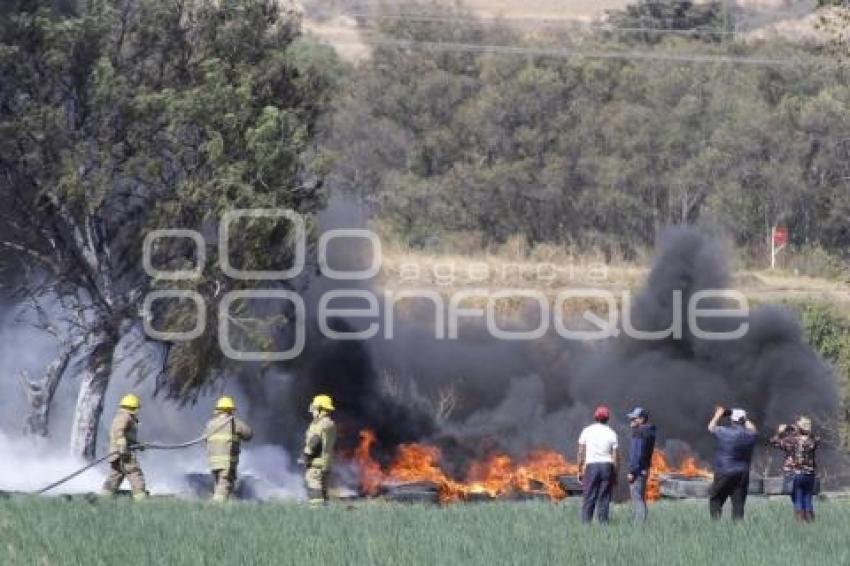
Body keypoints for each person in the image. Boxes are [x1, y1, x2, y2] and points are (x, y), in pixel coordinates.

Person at [707, 406, 757, 520]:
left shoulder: (725, 432)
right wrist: (744, 418)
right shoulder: (750, 435)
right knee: (738, 504)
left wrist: (718, 414)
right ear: (743, 420)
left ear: (732, 420)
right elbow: (753, 429)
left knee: (716, 499)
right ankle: (738, 530)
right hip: (742, 474)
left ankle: (715, 526)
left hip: (724, 472)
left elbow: (711, 427)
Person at [770, 416, 820, 522]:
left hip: (795, 474)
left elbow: (773, 442)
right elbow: (815, 438)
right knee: (807, 499)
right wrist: (800, 429)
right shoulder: (813, 441)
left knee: (797, 499)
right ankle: (811, 524)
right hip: (810, 474)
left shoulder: (790, 440)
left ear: (799, 427)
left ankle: (800, 525)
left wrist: (780, 432)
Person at [205, 395, 254, 502]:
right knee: (224, 484)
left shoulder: (210, 424)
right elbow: (249, 434)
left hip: (213, 462)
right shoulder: (233, 422)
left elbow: (206, 440)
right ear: (230, 410)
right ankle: (217, 509)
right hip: (226, 462)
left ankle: (220, 505)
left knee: (219, 483)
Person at [577, 405, 619, 523]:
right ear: (607, 418)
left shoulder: (587, 430)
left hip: (592, 466)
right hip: (607, 466)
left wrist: (579, 469)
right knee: (604, 498)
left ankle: (586, 525)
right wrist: (615, 473)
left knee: (589, 497)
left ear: (595, 417)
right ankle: (603, 525)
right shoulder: (612, 433)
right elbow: (615, 456)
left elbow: (580, 452)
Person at [102, 394, 147, 501]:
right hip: (124, 454)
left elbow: (127, 437)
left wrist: (138, 445)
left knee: (115, 476)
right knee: (134, 473)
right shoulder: (125, 416)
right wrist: (122, 444)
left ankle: (104, 497)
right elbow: (118, 431)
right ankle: (140, 498)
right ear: (133, 407)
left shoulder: (123, 416)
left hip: (117, 454)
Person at [302, 394, 337, 505]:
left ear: (321, 409)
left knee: (314, 491)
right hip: (325, 465)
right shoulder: (331, 424)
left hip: (315, 465)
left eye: (315, 408)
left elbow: (315, 441)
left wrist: (306, 455)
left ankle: (316, 515)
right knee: (324, 493)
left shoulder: (319, 424)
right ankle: (325, 515)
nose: (313, 411)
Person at [626, 407, 656, 522]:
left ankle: (638, 525)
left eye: (634, 418)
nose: (631, 420)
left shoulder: (639, 432)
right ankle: (640, 522)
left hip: (637, 471)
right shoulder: (648, 431)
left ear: (642, 419)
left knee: (637, 498)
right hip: (644, 469)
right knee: (640, 498)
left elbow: (636, 454)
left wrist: (632, 472)